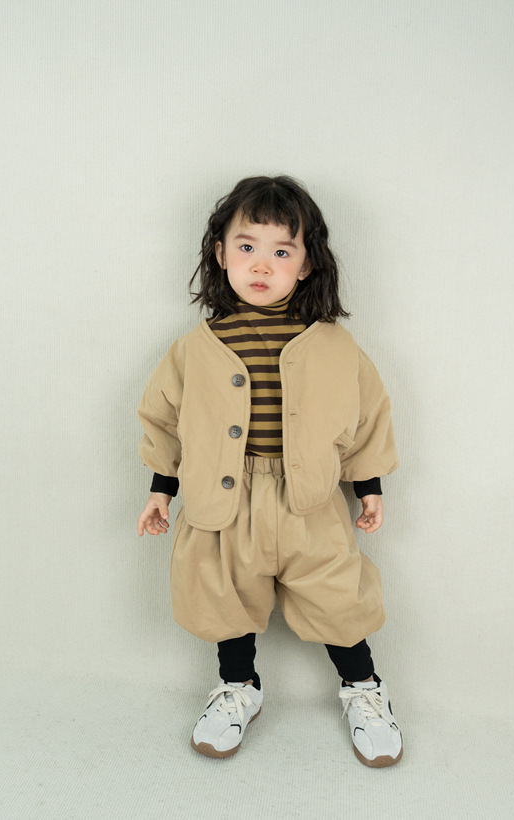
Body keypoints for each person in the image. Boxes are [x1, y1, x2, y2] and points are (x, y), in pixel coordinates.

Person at [136, 175, 402, 767]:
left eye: (282, 251)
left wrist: (369, 485)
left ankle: (363, 689)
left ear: (306, 265)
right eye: (247, 246)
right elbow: (166, 420)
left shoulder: (333, 344)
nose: (262, 264)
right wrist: (161, 489)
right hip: (223, 500)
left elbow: (365, 414)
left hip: (310, 501)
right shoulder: (195, 348)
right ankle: (238, 687)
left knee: (337, 596)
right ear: (220, 254)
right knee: (224, 594)